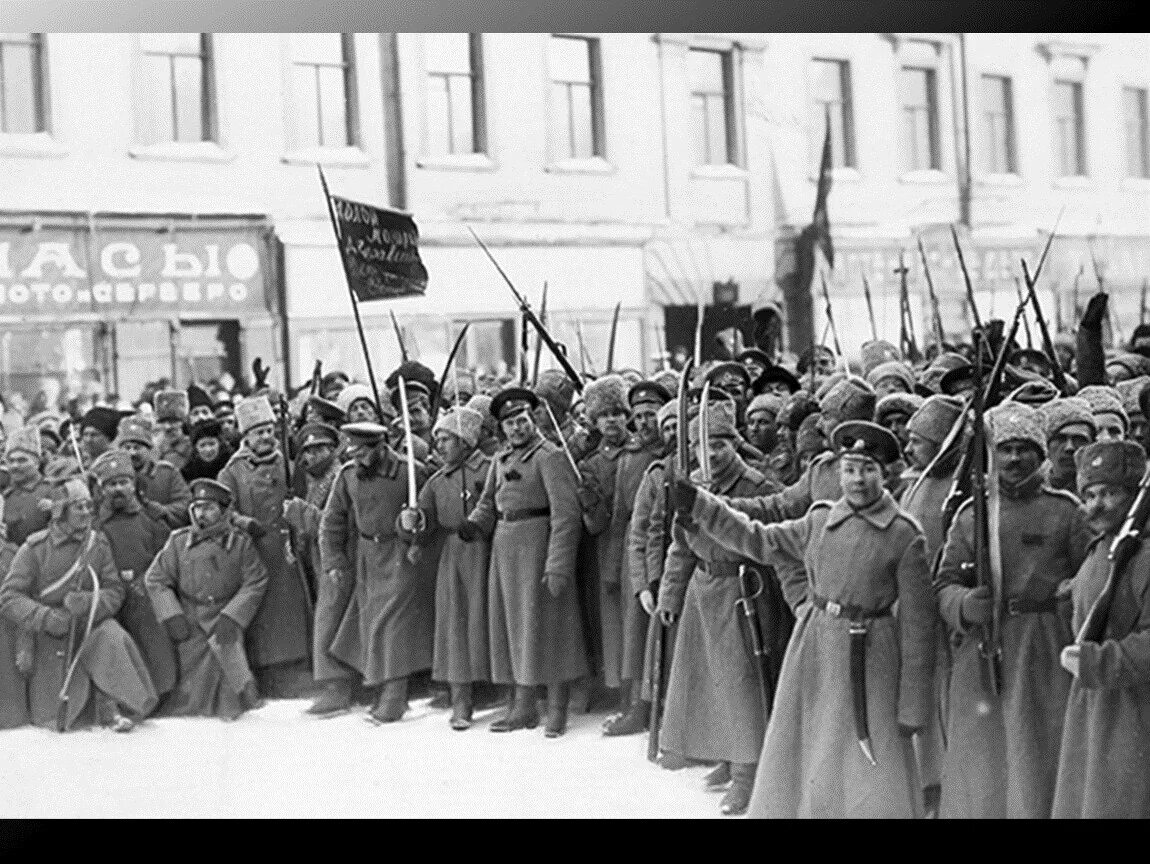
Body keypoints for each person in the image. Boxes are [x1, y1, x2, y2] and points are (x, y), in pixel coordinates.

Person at [675, 420, 936, 818]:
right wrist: (702, 506)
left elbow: (919, 629)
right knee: (813, 751)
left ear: (886, 474)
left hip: (872, 658)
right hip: (814, 649)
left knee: (869, 759)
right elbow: (758, 538)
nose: (858, 480)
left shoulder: (904, 535)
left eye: (869, 469)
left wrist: (913, 705)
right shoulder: (817, 520)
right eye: (849, 469)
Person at [934, 401, 1092, 819]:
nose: (1014, 458)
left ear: (1040, 455)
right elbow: (944, 583)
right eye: (1004, 448)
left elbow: (1091, 578)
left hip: (1045, 649)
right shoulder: (973, 515)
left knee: (1038, 751)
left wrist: (1068, 593)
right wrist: (964, 605)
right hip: (984, 648)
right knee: (983, 754)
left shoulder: (1066, 511)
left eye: (1025, 448)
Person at [656, 398, 791, 815]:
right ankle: (727, 755)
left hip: (743, 592)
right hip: (703, 589)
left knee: (741, 684)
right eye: (703, 445)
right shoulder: (690, 485)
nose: (711, 454)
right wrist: (670, 594)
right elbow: (680, 545)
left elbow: (775, 542)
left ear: (734, 444)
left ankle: (749, 773)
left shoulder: (756, 486)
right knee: (711, 684)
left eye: (719, 444)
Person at [459, 386, 586, 737]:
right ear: (501, 429)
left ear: (534, 420)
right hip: (505, 547)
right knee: (513, 627)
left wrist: (557, 564)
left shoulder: (549, 456)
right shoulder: (500, 460)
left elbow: (565, 515)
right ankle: (524, 705)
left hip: (538, 547)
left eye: (523, 420)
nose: (517, 428)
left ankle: (557, 708)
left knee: (550, 627)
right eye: (510, 423)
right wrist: (474, 524)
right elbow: (489, 502)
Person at [0, 465, 158, 731]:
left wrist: (88, 602)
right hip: (48, 632)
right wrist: (47, 618)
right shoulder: (34, 547)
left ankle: (116, 705)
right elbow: (9, 597)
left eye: (88, 506)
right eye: (78, 507)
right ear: (61, 511)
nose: (87, 512)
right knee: (56, 707)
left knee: (111, 635)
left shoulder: (98, 543)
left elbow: (114, 589)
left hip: (88, 622)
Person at [1052, 439, 1150, 818]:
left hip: (1135, 710)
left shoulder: (1141, 556)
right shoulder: (1101, 551)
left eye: (1109, 493)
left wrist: (1099, 661)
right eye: (1089, 494)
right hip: (1093, 707)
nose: (1096, 504)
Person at [318, 421, 433, 723]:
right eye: (353, 454)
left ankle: (395, 697)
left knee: (393, 624)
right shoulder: (347, 476)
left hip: (401, 553)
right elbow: (332, 522)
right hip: (366, 556)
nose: (359, 460)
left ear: (381, 447)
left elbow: (431, 513)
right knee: (371, 624)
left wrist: (418, 526)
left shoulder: (411, 472)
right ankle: (381, 689)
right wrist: (333, 561)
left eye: (364, 453)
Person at [145, 478, 268, 720]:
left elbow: (255, 581)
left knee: (228, 667)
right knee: (189, 675)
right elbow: (156, 579)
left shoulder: (241, 544)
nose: (202, 514)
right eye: (197, 507)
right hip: (190, 615)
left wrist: (233, 616)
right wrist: (172, 614)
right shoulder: (178, 542)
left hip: (224, 615)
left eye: (210, 508)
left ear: (223, 511)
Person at [217, 395, 313, 697]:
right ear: (246, 436)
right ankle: (267, 670)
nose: (266, 437)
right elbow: (223, 510)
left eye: (270, 430)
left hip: (287, 548)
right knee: (263, 611)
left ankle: (297, 666)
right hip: (254, 551)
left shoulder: (287, 462)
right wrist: (245, 523)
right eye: (259, 432)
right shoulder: (231, 471)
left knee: (293, 605)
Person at [898, 393, 964, 816]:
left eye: (918, 441)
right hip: (911, 616)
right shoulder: (913, 485)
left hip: (943, 616)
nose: (908, 449)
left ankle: (946, 786)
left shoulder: (957, 490)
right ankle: (925, 783)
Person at [410, 406, 491, 730]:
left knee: (491, 622)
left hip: (486, 553)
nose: (439, 446)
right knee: (456, 628)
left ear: (465, 440)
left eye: (446, 439)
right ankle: (462, 700)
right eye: (437, 439)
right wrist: (411, 527)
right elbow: (423, 524)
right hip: (453, 558)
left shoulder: (488, 468)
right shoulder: (434, 481)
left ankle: (512, 693)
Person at [91, 449, 177, 706]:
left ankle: (163, 693)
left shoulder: (151, 520)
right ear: (102, 490)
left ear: (133, 485)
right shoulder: (96, 525)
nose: (118, 489)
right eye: (111, 484)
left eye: (123, 482)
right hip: (111, 596)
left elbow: (166, 558)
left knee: (154, 640)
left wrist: (147, 581)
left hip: (145, 594)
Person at [115, 415, 192, 529]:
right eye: (127, 448)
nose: (132, 453)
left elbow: (185, 504)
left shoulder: (168, 473)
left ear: (149, 449)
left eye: (137, 447)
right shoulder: (114, 478)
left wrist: (163, 511)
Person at [3, 427, 52, 546]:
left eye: (22, 460)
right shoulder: (7, 496)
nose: (15, 466)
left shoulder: (52, 489)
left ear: (37, 463)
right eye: (11, 461)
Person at [1039, 397, 1097, 496]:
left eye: (1079, 440)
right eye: (1060, 439)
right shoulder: (1029, 492)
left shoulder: (1103, 493)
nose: (1070, 448)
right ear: (1045, 445)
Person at [181, 418, 233, 482]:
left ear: (220, 444)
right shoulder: (188, 471)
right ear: (196, 448)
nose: (208, 450)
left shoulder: (232, 464)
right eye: (202, 445)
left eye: (212, 444)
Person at [153, 390, 193, 472]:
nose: (167, 427)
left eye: (173, 421)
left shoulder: (191, 447)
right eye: (163, 422)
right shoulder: (155, 449)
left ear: (182, 422)